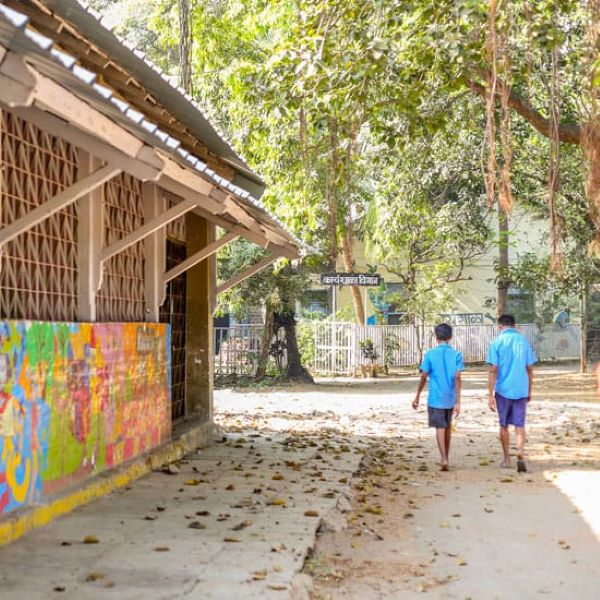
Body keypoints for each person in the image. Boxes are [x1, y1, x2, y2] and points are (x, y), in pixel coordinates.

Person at [487, 314, 536, 473]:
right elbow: (529, 369)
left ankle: (507, 459)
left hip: (503, 390)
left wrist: (490, 394)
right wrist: (529, 390)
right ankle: (520, 453)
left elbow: (493, 370)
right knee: (520, 424)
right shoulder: (523, 341)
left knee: (503, 425)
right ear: (514, 325)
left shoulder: (496, 342)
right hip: (521, 389)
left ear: (500, 327)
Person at [412, 323, 464, 471]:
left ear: (436, 338)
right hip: (450, 397)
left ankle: (443, 458)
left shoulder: (430, 354)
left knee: (440, 427)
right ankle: (446, 456)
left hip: (436, 397)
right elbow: (458, 377)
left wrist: (417, 396)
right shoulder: (456, 355)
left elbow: (424, 376)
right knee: (447, 427)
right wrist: (458, 401)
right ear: (450, 337)